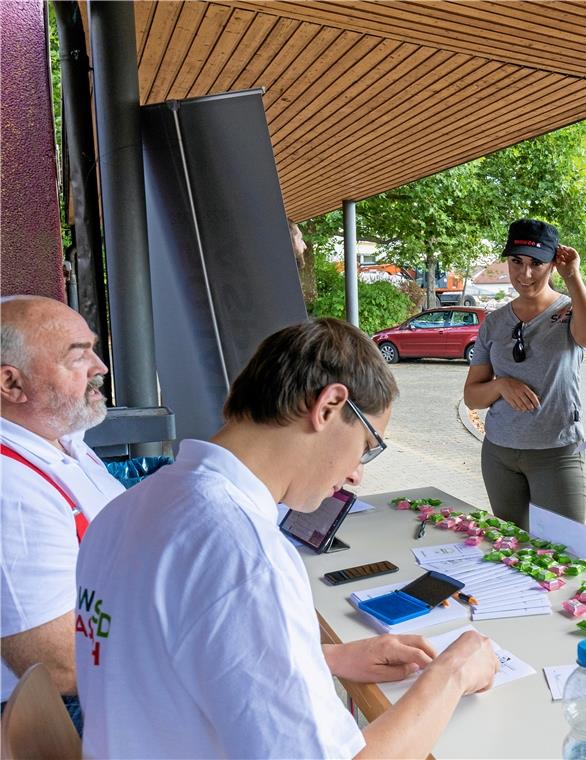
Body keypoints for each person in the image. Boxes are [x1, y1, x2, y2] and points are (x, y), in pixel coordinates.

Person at [75, 318, 499, 758]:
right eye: (367, 444)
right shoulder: (248, 558)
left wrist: (319, 660)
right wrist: (452, 674)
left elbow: (172, 665)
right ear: (330, 405)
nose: (356, 472)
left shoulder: (129, 507)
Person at [0, 295, 124, 734]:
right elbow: (59, 665)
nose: (100, 367)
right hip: (69, 707)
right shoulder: (10, 491)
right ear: (12, 385)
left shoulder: (59, 437)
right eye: (78, 355)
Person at [464, 219, 586, 529]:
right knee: (512, 550)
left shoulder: (571, 311)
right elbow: (472, 396)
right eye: (516, 261)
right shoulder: (494, 322)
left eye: (536, 264)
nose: (524, 274)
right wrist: (502, 385)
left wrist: (573, 277)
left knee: (566, 554)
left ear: (553, 264)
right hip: (499, 453)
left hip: (556, 452)